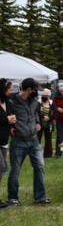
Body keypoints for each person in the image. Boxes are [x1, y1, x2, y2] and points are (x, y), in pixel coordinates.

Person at [5, 77, 51, 205]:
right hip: (18, 141)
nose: (37, 92)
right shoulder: (11, 101)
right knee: (15, 170)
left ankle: (40, 197)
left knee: (40, 167)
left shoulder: (34, 101)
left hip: (33, 140)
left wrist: (37, 122)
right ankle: (12, 198)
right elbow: (5, 117)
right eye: (35, 90)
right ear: (29, 89)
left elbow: (35, 114)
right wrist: (10, 127)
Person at [0, 79, 13, 208]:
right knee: (1, 166)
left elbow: (9, 116)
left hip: (4, 139)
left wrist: (12, 121)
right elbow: (4, 118)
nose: (11, 92)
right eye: (9, 89)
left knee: (1, 169)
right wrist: (6, 119)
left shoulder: (7, 102)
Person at [38, 89, 55, 158]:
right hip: (39, 123)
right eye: (43, 95)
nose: (44, 96)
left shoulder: (52, 103)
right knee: (37, 139)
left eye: (45, 95)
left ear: (49, 96)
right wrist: (43, 117)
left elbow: (55, 113)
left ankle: (48, 155)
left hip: (49, 124)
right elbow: (36, 112)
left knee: (48, 139)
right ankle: (37, 154)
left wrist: (49, 118)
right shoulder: (38, 103)